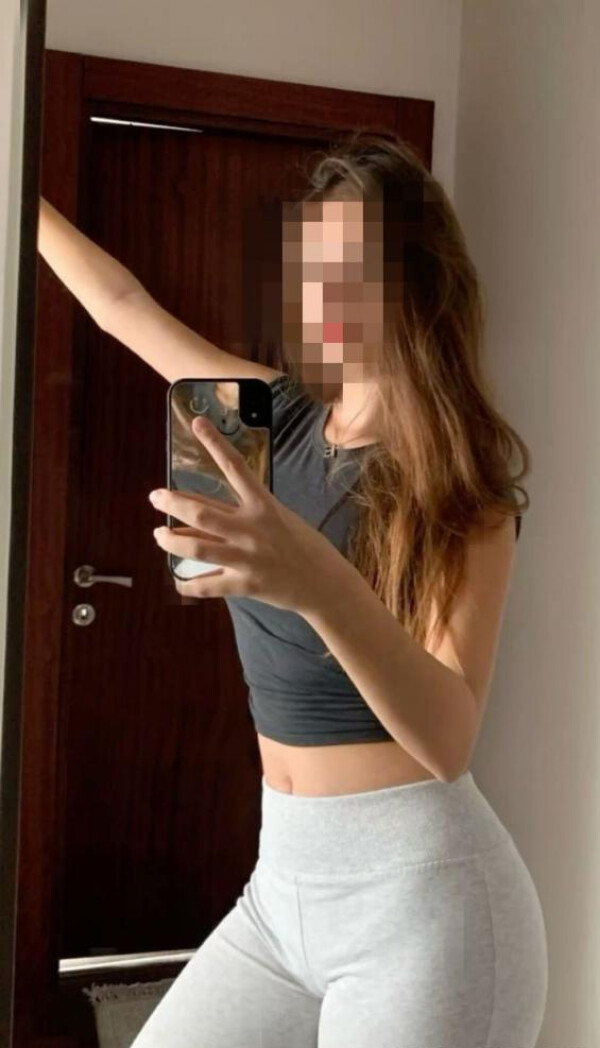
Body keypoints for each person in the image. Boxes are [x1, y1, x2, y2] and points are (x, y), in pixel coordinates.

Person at [37, 131, 548, 1048]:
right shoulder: (271, 418)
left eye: (350, 267)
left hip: (425, 908)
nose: (321, 295)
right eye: (310, 269)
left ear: (415, 280)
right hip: (281, 893)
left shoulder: (460, 489)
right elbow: (120, 306)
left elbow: (447, 738)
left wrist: (316, 583)